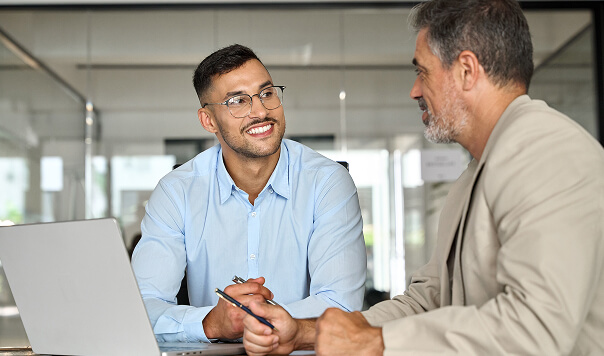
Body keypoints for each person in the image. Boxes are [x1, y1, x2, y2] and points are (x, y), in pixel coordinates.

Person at [241, 0, 604, 354]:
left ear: (466, 70)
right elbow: (429, 299)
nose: (415, 90)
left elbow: (534, 329)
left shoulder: (548, 153)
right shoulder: (479, 171)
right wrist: (304, 333)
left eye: (422, 71)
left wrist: (377, 343)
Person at [131, 44, 367, 343]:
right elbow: (142, 308)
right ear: (209, 121)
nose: (260, 111)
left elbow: (341, 305)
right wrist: (210, 323)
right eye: (237, 101)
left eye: (267, 93)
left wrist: (254, 320)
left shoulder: (327, 182)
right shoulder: (177, 191)